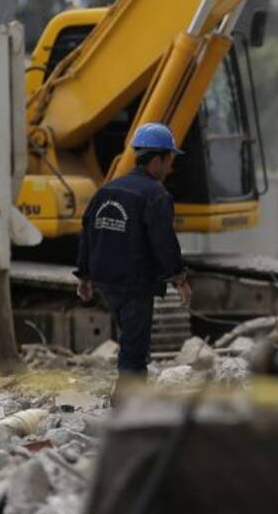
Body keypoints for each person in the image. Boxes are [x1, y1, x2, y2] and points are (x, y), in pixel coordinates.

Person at [76, 122, 192, 382]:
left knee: (131, 339)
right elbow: (164, 242)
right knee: (134, 349)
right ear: (159, 159)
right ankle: (128, 403)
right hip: (134, 283)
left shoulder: (107, 190)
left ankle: (129, 397)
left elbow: (88, 234)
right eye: (170, 159)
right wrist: (181, 281)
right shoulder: (155, 194)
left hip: (107, 281)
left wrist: (84, 276)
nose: (171, 166)